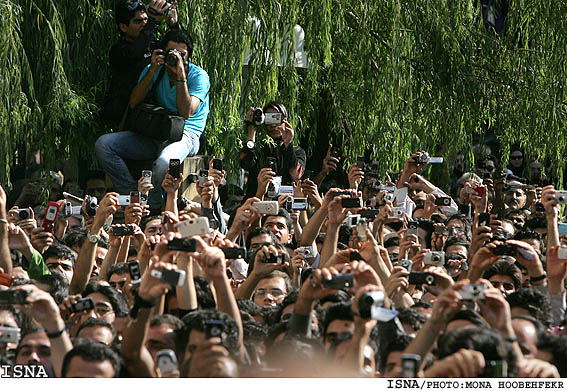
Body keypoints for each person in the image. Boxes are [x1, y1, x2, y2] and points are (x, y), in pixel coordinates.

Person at [96, 28, 210, 210]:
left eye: (182, 54)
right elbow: (134, 102)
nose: (176, 57)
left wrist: (181, 75)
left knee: (164, 163)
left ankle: (155, 205)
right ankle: (132, 194)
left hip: (186, 134)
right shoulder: (154, 69)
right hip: (157, 131)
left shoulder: (198, 76)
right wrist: (153, 70)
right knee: (104, 144)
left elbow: (186, 111)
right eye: (171, 52)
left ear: (189, 55)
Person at [101, 0, 178, 126]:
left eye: (146, 19)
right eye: (138, 21)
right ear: (123, 27)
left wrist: (174, 26)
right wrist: (153, 21)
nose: (144, 24)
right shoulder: (119, 51)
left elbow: (183, 48)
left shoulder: (153, 45)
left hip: (152, 116)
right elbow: (136, 52)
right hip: (127, 117)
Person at [240, 102, 307, 199]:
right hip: (256, 203)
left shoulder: (297, 151)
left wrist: (288, 144)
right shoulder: (259, 150)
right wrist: (252, 128)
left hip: (284, 206)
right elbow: (245, 163)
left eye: (276, 118)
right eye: (269, 119)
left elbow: (296, 174)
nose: (273, 125)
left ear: (285, 120)